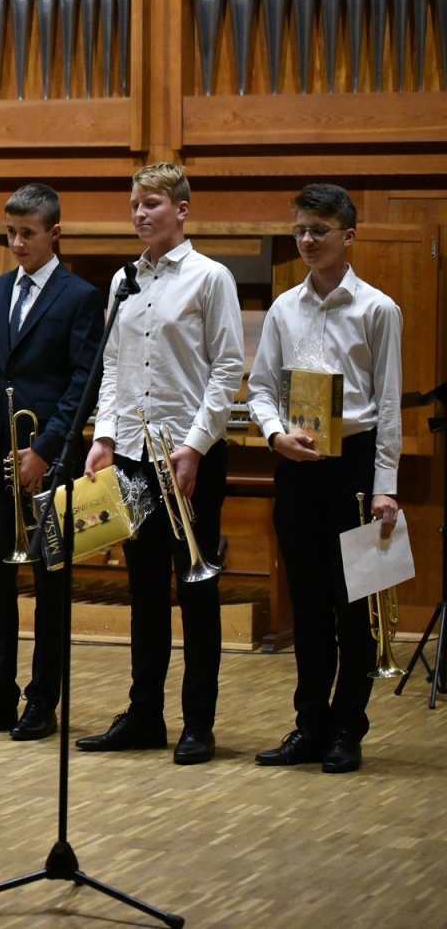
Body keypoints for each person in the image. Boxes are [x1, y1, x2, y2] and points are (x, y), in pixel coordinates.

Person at [80, 162, 244, 765]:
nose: (141, 213)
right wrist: (103, 435)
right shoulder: (124, 280)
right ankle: (145, 713)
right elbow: (115, 366)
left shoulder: (210, 278)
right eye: (135, 205)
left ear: (182, 209)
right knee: (144, 590)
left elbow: (227, 370)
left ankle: (197, 721)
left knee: (196, 590)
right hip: (131, 456)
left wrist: (196, 446)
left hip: (189, 457)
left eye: (152, 203)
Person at [248, 184, 402, 774]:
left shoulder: (378, 309)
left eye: (319, 230)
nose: (308, 240)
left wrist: (385, 484)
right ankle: (309, 724)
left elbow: (387, 403)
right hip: (299, 465)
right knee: (308, 606)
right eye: (300, 231)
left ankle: (347, 729)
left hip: (356, 468)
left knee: (354, 606)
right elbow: (262, 388)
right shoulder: (285, 307)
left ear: (348, 236)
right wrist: (273, 435)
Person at [0, 184, 102, 740]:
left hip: (50, 461)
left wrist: (46, 450)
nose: (16, 243)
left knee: (50, 582)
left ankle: (42, 701)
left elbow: (85, 381)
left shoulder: (80, 296)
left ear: (54, 233)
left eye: (27, 234)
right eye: (10, 233)